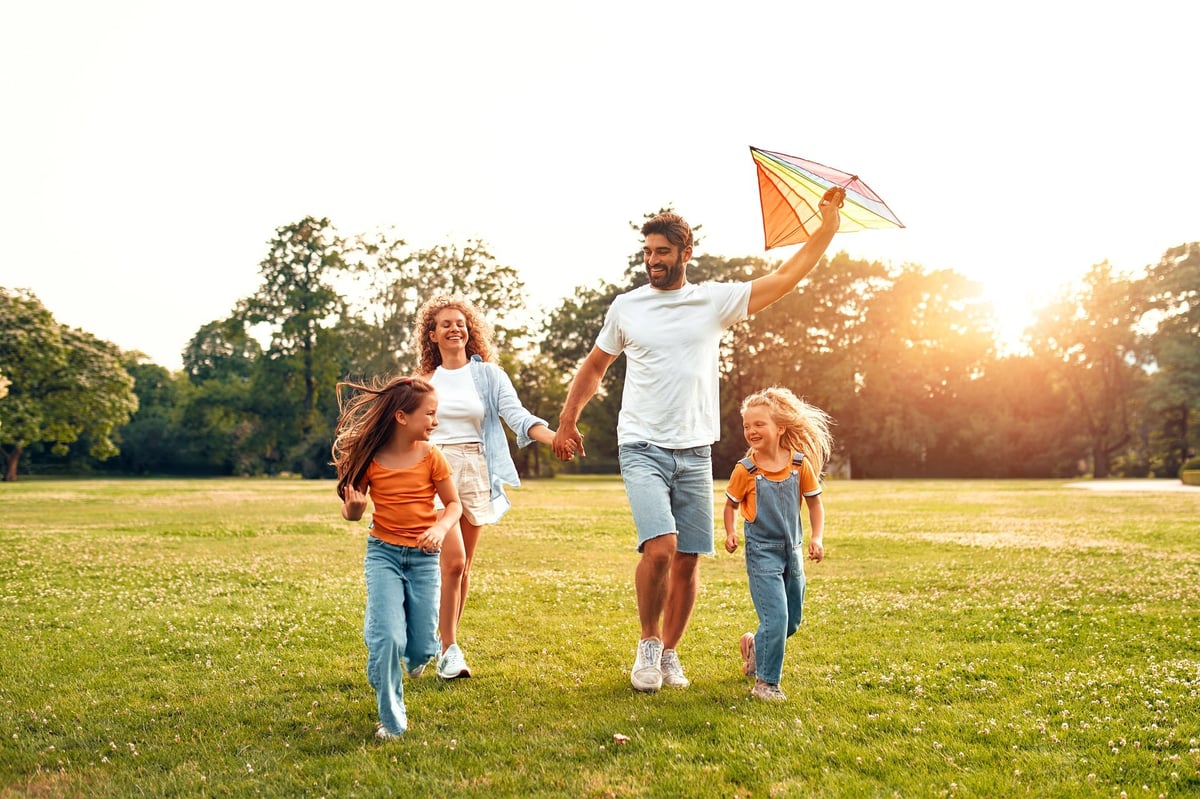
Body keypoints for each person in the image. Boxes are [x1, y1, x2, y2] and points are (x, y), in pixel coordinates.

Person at [552, 188, 844, 693]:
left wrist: (826, 229)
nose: (653, 261)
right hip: (641, 443)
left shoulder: (713, 301)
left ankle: (670, 654)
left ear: (685, 254)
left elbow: (786, 278)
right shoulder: (627, 307)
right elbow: (596, 366)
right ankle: (647, 644)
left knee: (688, 558)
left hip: (694, 449)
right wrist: (567, 420)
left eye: (662, 252)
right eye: (647, 253)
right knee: (660, 548)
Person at [414, 295, 563, 680]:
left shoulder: (489, 376)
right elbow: (403, 427)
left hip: (475, 467)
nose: (454, 328)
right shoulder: (423, 382)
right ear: (432, 335)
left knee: (462, 570)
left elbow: (517, 416)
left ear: (469, 331)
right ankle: (447, 648)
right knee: (452, 561)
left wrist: (556, 437)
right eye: (445, 323)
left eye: (460, 322)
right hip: (432, 468)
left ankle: (443, 643)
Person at [332, 375, 462, 739]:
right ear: (402, 417)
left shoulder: (432, 457)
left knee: (420, 650)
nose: (435, 422)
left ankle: (404, 648)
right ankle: (391, 718)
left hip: (423, 559)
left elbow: (454, 504)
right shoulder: (369, 458)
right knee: (389, 638)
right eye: (430, 414)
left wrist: (439, 529)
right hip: (384, 555)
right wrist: (354, 510)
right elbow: (352, 511)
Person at [723, 386, 832, 702]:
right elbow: (730, 505)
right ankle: (766, 684)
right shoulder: (746, 470)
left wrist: (816, 537)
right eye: (747, 426)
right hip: (762, 554)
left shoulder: (799, 465)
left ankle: (757, 646)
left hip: (793, 552)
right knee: (776, 617)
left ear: (780, 427)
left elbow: (815, 505)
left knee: (792, 621)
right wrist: (731, 532)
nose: (751, 431)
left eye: (759, 424)